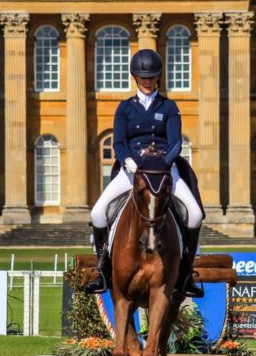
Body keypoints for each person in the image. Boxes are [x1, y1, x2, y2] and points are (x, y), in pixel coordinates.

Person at [85, 48, 205, 296]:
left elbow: (175, 144)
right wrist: (130, 161)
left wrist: (163, 163)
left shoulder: (169, 107)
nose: (147, 81)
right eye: (142, 77)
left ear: (158, 77)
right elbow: (119, 142)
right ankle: (103, 270)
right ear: (135, 78)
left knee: (194, 214)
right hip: (132, 171)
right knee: (98, 213)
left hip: (164, 171)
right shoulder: (125, 108)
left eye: (151, 77)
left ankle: (186, 274)